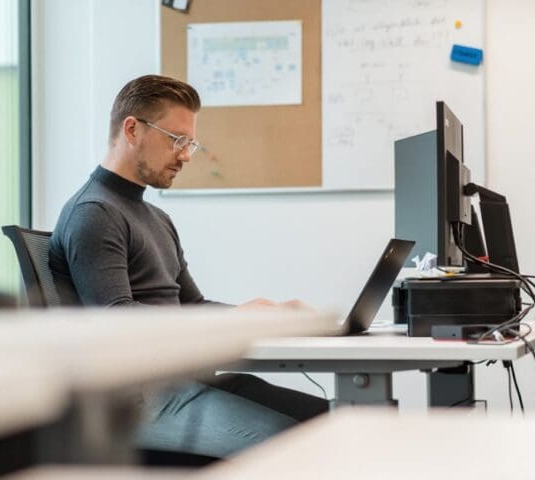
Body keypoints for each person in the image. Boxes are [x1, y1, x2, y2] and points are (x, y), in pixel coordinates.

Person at [49, 74, 328, 458]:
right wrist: (231, 321)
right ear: (132, 129)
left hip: (186, 380)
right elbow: (115, 321)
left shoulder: (156, 217)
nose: (185, 155)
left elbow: (191, 307)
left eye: (190, 143)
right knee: (305, 448)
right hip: (140, 401)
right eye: (177, 140)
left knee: (329, 418)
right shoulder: (94, 213)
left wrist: (260, 316)